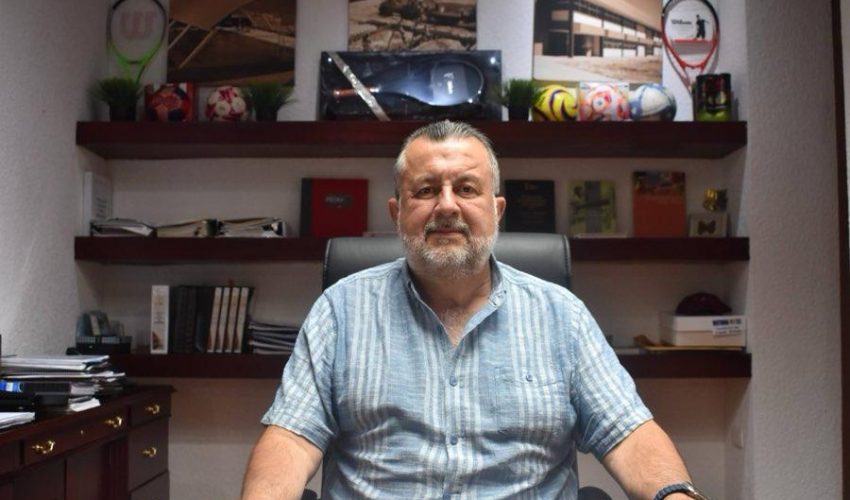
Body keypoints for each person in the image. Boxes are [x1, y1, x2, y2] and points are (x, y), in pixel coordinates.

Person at [242, 121, 707, 499]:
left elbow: (629, 433)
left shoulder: (561, 315)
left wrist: (675, 496)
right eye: (426, 190)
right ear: (396, 212)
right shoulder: (341, 310)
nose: (447, 206)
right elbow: (291, 438)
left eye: (466, 188)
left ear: (497, 210)